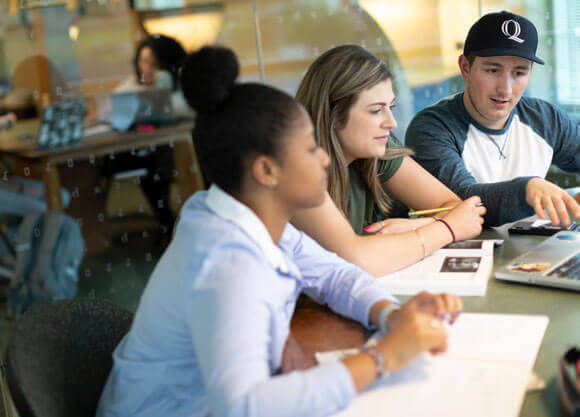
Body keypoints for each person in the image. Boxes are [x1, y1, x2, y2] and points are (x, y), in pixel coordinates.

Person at [96, 46, 463, 417]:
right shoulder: (225, 264)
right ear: (266, 172)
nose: (323, 157)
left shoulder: (246, 216)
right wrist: (383, 357)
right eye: (309, 149)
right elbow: (246, 406)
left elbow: (334, 274)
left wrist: (391, 316)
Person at [293, 45, 486, 276]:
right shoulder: (296, 173)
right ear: (333, 116)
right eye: (376, 110)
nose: (392, 123)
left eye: (390, 107)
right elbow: (356, 259)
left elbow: (458, 208)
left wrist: (415, 226)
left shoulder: (375, 150)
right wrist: (447, 228)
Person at [405, 11, 580, 227]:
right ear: (465, 68)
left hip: (526, 253)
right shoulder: (432, 128)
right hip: (457, 253)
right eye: (492, 70)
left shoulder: (544, 118)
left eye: (519, 73)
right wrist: (527, 189)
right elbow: (461, 204)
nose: (505, 89)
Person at [102, 34, 188, 240]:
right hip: (145, 151)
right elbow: (111, 110)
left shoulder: (182, 91)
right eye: (143, 61)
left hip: (177, 151)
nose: (147, 69)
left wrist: (161, 88)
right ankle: (168, 226)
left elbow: (182, 109)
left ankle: (172, 228)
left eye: (154, 64)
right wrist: (137, 88)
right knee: (117, 164)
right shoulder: (133, 87)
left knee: (158, 168)